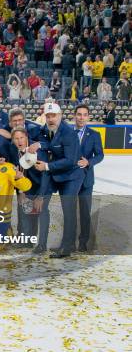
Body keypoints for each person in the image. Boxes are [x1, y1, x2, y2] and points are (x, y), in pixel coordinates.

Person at [29, 102, 84, 259]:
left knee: (68, 210)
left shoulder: (68, 133)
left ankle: (67, 247)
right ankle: (42, 244)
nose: (51, 119)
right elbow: (48, 143)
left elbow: (70, 160)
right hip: (55, 174)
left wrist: (46, 166)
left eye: (54, 116)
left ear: (60, 116)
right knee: (43, 204)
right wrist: (40, 143)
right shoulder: (45, 129)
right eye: (48, 116)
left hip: (71, 177)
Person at [8, 127, 51, 252]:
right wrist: (21, 192)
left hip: (43, 186)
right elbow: (18, 171)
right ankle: (27, 242)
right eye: (16, 139)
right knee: (26, 211)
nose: (19, 141)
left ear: (26, 137)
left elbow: (45, 174)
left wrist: (40, 196)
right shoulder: (13, 151)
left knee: (41, 212)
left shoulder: (37, 151)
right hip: (27, 187)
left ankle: (42, 245)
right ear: (12, 140)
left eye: (21, 137)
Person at [73, 104, 104, 252]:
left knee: (85, 212)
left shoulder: (94, 134)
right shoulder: (66, 133)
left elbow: (100, 155)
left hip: (86, 180)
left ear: (88, 117)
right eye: (79, 114)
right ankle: (68, 240)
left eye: (84, 114)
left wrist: (89, 162)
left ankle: (83, 241)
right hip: (69, 181)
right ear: (74, 116)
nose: (81, 117)